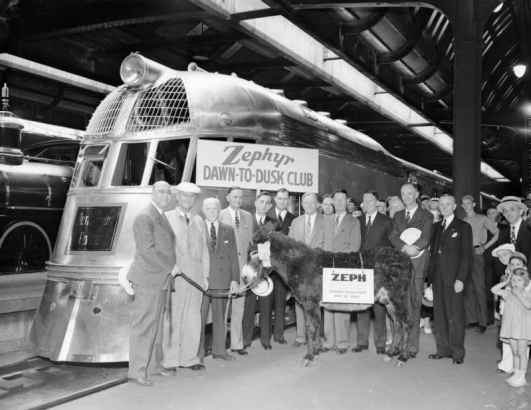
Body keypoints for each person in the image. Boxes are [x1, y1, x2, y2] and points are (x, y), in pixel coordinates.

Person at [127, 181, 179, 387]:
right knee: (143, 325)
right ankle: (136, 372)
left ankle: (154, 367)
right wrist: (171, 267)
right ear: (152, 193)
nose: (166, 195)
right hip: (149, 279)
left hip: (159, 279)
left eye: (168, 192)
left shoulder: (159, 215)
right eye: (161, 191)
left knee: (156, 326)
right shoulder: (144, 217)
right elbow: (147, 250)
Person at [163, 182, 209, 371]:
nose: (188, 199)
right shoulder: (166, 218)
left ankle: (190, 358)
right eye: (184, 196)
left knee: (193, 317)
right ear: (177, 197)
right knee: (174, 318)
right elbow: (162, 248)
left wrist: (206, 275)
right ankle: (171, 360)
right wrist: (169, 268)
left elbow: (205, 250)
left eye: (192, 197)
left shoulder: (199, 221)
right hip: (176, 275)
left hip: (196, 276)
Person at [388, 183, 433, 358]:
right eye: (403, 194)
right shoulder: (398, 215)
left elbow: (426, 237)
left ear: (416, 195)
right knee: (399, 306)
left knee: (414, 305)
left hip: (418, 265)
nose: (406, 197)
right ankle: (399, 342)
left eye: (409, 194)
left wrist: (414, 248)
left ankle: (412, 345)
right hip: (400, 265)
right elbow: (392, 235)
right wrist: (405, 247)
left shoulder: (426, 215)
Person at [427, 194, 473, 364]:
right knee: (439, 316)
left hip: (454, 279)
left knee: (455, 316)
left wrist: (461, 279)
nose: (445, 207)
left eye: (448, 204)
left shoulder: (463, 227)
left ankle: (458, 353)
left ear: (454, 207)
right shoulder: (436, 226)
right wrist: (429, 280)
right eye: (442, 205)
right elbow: (433, 255)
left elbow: (467, 256)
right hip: (437, 277)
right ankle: (443, 349)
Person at [198, 198, 240, 362]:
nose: (211, 211)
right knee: (199, 319)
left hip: (222, 280)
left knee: (220, 318)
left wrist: (234, 280)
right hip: (202, 281)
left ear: (219, 209)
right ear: (203, 210)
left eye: (214, 208)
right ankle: (197, 354)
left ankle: (220, 351)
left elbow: (233, 256)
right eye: (208, 208)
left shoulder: (228, 229)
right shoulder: (197, 227)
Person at [321, 189, 361, 354]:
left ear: (347, 202)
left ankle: (342, 342)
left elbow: (354, 247)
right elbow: (321, 243)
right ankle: (329, 341)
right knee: (328, 306)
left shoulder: (353, 222)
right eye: (335, 200)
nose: (338, 202)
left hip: (343, 269)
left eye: (341, 199)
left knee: (342, 307)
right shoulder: (326, 221)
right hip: (326, 268)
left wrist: (338, 261)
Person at [353, 190, 392, 355]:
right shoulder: (357, 221)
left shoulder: (386, 221)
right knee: (362, 307)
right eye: (364, 201)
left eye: (370, 201)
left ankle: (381, 343)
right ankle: (362, 342)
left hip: (378, 270)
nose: (367, 203)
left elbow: (390, 247)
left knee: (379, 308)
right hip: (360, 269)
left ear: (377, 202)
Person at [219, 187, 253, 356]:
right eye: (235, 197)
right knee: (224, 308)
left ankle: (236, 344)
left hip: (243, 270)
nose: (238, 200)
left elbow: (251, 245)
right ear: (228, 198)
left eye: (240, 197)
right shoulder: (219, 215)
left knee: (239, 308)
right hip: (225, 269)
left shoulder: (248, 216)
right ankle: (220, 345)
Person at [288, 192, 324, 348]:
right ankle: (300, 337)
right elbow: (290, 244)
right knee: (299, 302)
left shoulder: (326, 221)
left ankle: (316, 337)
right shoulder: (296, 222)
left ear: (317, 204)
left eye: (312, 202)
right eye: (306, 202)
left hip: (318, 267)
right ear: (301, 204)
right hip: (300, 268)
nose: (309, 205)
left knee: (317, 303)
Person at [461, 194, 499, 333]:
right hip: (465, 254)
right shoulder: (463, 221)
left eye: (468, 203)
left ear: (474, 204)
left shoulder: (482, 218)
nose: (466, 206)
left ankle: (483, 322)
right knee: (468, 288)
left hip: (477, 253)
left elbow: (496, 233)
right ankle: (472, 319)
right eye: (463, 204)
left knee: (479, 288)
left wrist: (485, 247)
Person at [243, 191, 274, 349]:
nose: (264, 205)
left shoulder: (274, 223)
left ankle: (265, 340)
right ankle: (246, 340)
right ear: (256, 203)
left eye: (267, 202)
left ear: (270, 206)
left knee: (266, 306)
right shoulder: (247, 220)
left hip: (267, 271)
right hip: (250, 270)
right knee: (248, 306)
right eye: (261, 201)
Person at [491, 267, 531, 387]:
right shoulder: (508, 293)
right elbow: (494, 290)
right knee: (514, 352)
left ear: (525, 281)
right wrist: (506, 282)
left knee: (522, 353)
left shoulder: (527, 294)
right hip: (511, 327)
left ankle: (522, 376)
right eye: (513, 280)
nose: (515, 282)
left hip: (523, 328)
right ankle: (516, 373)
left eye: (519, 280)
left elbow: (528, 305)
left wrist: (519, 294)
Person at [267, 188, 296, 345]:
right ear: (275, 199)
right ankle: (265, 336)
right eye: (280, 198)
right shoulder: (267, 217)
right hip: (268, 266)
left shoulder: (294, 219)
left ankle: (279, 335)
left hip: (284, 268)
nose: (283, 201)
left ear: (289, 200)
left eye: (286, 199)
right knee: (266, 303)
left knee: (281, 302)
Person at [497, 196, 531, 271]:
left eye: (512, 209)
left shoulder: (529, 229)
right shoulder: (502, 233)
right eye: (505, 211)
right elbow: (500, 257)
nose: (508, 213)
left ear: (520, 211)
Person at [485, 207, 503, 324]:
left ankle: (500, 310)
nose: (491, 215)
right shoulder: (484, 228)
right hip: (489, 262)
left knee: (501, 286)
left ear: (498, 216)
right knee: (489, 287)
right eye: (489, 213)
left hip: (502, 262)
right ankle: (491, 314)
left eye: (494, 213)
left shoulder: (503, 228)